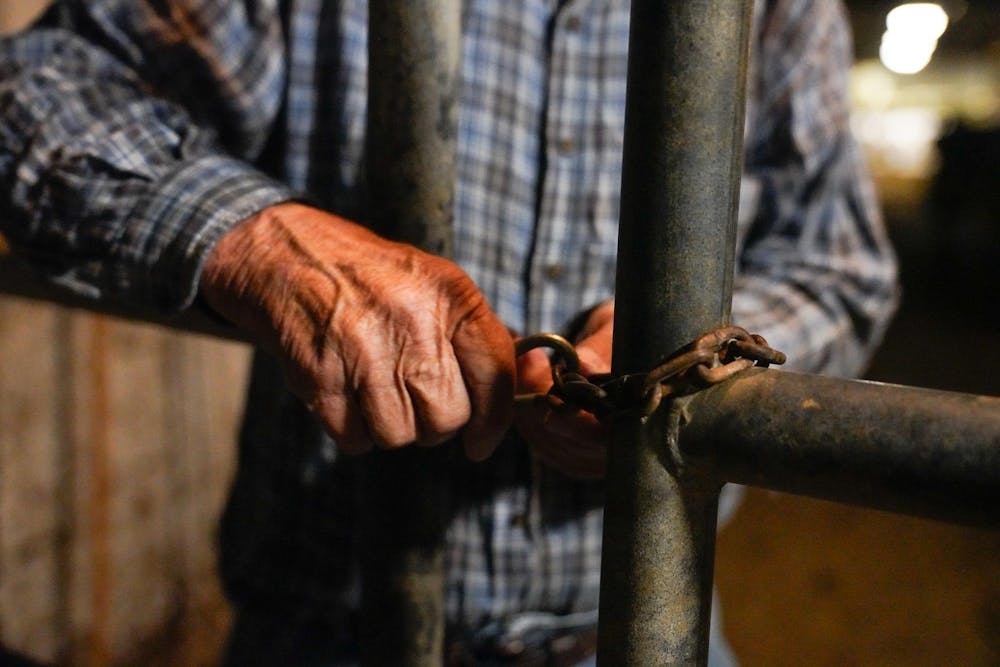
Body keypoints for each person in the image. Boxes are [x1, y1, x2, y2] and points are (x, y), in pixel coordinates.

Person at [0, 0, 898, 665]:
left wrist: (702, 359)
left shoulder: (774, 10)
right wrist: (260, 242)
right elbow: (34, 84)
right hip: (325, 632)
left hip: (641, 629)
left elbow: (840, 260)